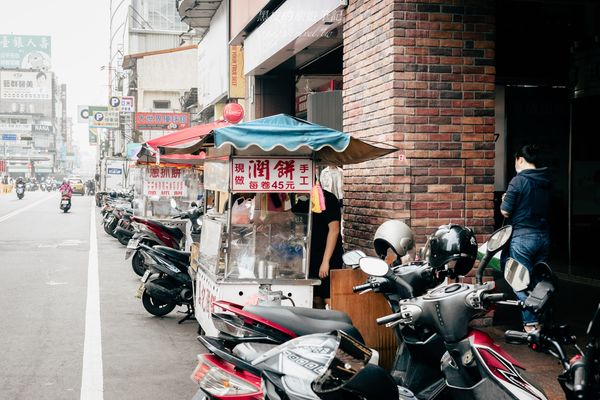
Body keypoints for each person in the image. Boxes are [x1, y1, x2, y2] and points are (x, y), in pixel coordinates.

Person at [500, 144, 551, 333]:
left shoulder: (518, 180)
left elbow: (506, 211)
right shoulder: (546, 179)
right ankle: (541, 320)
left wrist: (506, 199)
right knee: (538, 281)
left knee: (518, 280)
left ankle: (530, 324)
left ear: (520, 159)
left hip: (523, 238)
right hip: (543, 237)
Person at [309, 188, 343, 309]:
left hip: (329, 256)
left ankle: (335, 326)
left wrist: (325, 262)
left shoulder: (328, 199)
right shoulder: (304, 201)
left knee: (328, 297)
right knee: (315, 296)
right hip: (311, 257)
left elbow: (334, 230)